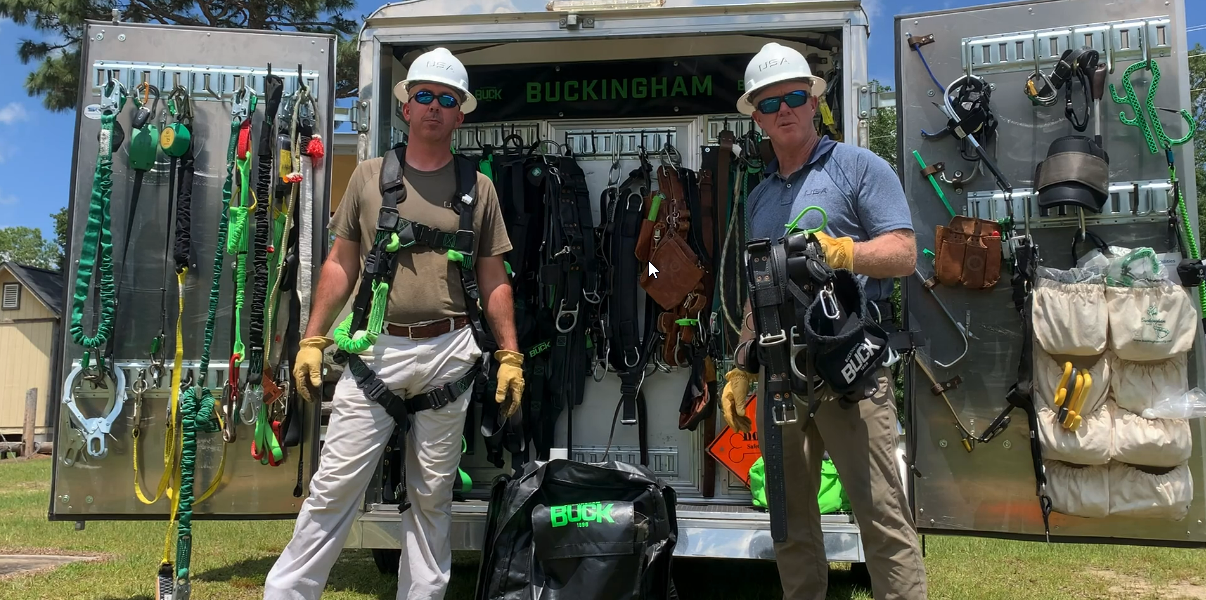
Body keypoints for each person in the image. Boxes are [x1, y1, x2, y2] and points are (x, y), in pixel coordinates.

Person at [263, 47, 524, 600]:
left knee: (432, 495)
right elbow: (340, 262)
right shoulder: (367, 177)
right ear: (406, 107)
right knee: (333, 487)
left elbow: (494, 276)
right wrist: (313, 338)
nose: (433, 107)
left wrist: (509, 355)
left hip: (449, 351)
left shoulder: (479, 189)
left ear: (460, 114)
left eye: (446, 99)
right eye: (423, 95)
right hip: (374, 350)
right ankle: (287, 593)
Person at [719, 42, 928, 600]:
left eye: (793, 96)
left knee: (882, 518)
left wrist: (845, 254)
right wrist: (741, 366)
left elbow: (905, 254)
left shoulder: (859, 167)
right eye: (769, 103)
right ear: (757, 117)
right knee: (789, 525)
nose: (783, 110)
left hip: (850, 376)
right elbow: (759, 291)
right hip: (781, 379)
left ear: (814, 101)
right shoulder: (759, 195)